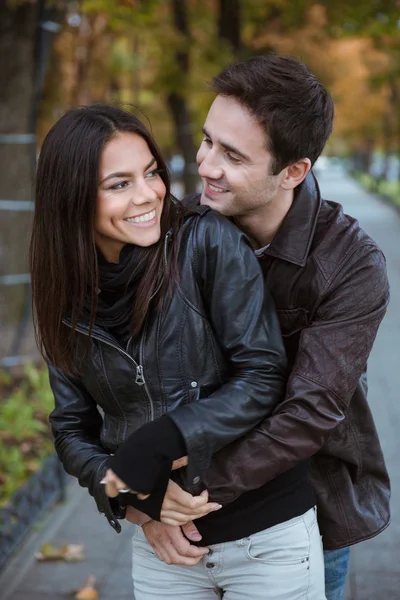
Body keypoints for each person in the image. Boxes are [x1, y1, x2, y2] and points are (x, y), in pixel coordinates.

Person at [29, 103, 326, 599]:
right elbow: (70, 428)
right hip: (163, 547)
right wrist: (127, 496)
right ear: (72, 197)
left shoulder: (204, 241)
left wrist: (167, 438)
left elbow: (263, 374)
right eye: (118, 184)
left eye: (150, 173)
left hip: (266, 539)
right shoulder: (62, 291)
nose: (148, 195)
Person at [125, 55, 390, 600]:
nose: (206, 166)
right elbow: (125, 379)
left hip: (302, 512)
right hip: (180, 522)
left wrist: (182, 493)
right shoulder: (173, 235)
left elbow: (310, 410)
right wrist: (138, 500)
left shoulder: (350, 262)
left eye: (233, 156)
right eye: (207, 142)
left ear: (293, 170)